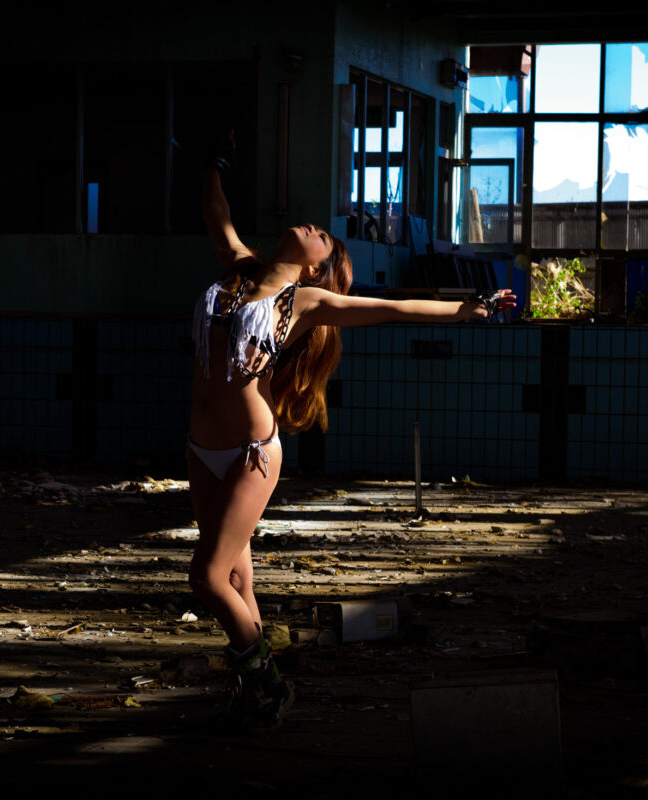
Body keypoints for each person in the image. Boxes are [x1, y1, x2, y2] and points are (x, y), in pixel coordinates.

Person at [187, 134, 516, 729]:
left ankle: (267, 679)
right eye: (314, 225)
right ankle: (255, 698)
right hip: (201, 449)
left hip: (250, 454)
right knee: (237, 575)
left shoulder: (305, 302)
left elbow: (395, 308)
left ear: (315, 263)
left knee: (207, 576)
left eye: (322, 235)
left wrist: (467, 309)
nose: (313, 225)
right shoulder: (238, 270)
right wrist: (214, 162)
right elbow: (216, 213)